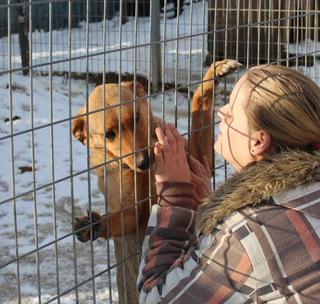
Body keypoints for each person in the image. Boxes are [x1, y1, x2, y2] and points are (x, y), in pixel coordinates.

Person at [137, 64, 320, 303]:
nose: (221, 112)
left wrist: (175, 197)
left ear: (258, 141)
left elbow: (155, 299)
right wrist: (212, 208)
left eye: (232, 112)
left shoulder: (250, 230)